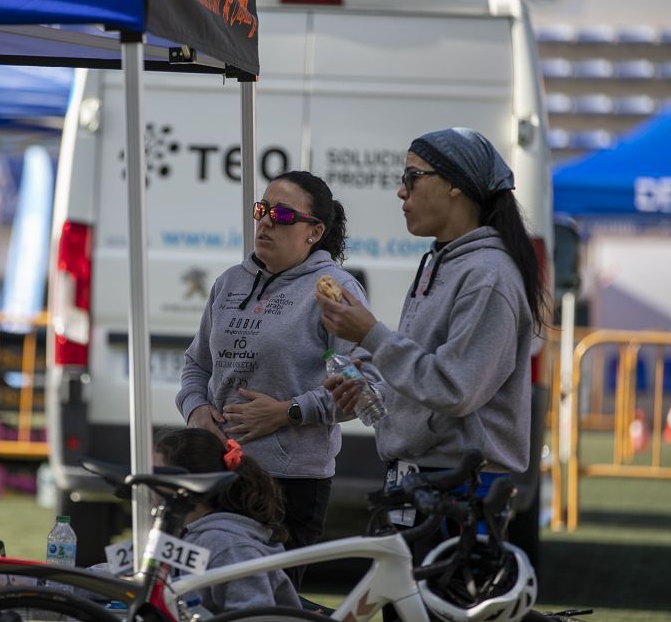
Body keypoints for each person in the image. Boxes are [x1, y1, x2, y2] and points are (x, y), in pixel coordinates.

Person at [317, 127, 546, 566]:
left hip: (459, 490)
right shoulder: (441, 261)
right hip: (418, 481)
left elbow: (455, 388)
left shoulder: (488, 275)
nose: (399, 191)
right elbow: (427, 376)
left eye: (412, 177)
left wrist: (372, 334)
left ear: (456, 184)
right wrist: (373, 389)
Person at [176, 170, 381, 589]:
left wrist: (288, 412)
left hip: (290, 486)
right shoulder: (229, 283)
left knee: (269, 606)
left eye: (283, 214)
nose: (266, 221)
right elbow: (196, 365)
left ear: (314, 231)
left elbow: (364, 383)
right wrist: (196, 410)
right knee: (210, 602)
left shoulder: (334, 290)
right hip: (221, 474)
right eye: (261, 209)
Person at [154, 428, 302, 612]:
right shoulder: (185, 535)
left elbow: (252, 617)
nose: (146, 482)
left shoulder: (227, 546)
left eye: (157, 474)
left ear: (188, 483)